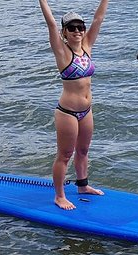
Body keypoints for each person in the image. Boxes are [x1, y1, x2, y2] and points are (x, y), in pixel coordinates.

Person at [39, 0, 109, 210]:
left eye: (80, 27)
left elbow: (98, 18)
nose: (77, 31)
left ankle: (82, 186)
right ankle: (59, 196)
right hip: (67, 113)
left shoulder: (87, 46)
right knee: (65, 155)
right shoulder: (62, 52)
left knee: (84, 150)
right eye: (72, 28)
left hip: (86, 111)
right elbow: (51, 23)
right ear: (64, 33)